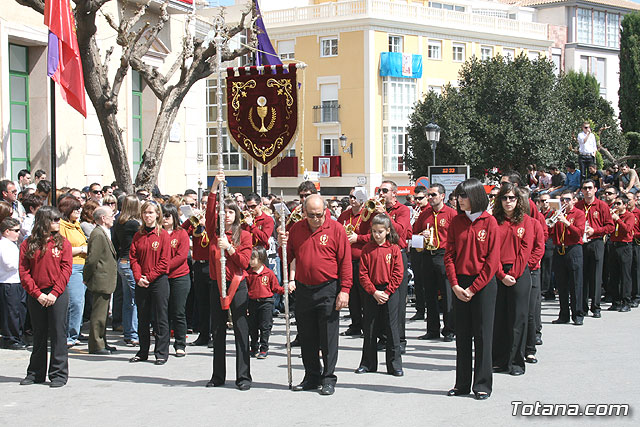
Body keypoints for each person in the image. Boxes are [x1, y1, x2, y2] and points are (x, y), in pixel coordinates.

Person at [280, 193, 351, 396]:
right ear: (304, 213)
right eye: (311, 215)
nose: (316, 219)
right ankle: (312, 376)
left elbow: (345, 262)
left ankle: (328, 377)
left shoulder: (336, 229)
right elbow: (288, 257)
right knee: (307, 336)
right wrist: (281, 244)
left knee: (328, 336)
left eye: (320, 214)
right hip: (304, 289)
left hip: (328, 288)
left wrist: (345, 290)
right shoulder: (295, 229)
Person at [445, 178, 500, 400]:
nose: (459, 200)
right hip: (460, 283)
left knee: (483, 336)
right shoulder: (457, 222)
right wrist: (456, 285)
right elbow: (449, 255)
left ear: (475, 197)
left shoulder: (490, 222)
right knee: (463, 336)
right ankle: (462, 384)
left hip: (483, 285)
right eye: (458, 196)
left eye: (463, 196)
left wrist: (474, 288)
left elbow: (492, 261)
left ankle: (482, 384)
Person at [206, 171, 252, 390]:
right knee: (218, 331)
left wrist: (230, 248)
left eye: (231, 212)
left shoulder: (244, 235)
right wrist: (214, 185)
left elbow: (244, 262)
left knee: (242, 331)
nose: (227, 215)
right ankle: (218, 376)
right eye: (223, 212)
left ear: (237, 215)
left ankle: (243, 377)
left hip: (237, 285)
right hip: (217, 286)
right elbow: (209, 212)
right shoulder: (214, 233)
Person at [19, 206, 72, 387]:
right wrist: (37, 294)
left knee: (58, 333)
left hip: (57, 293)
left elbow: (66, 269)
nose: (57, 223)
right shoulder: (28, 244)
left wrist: (55, 293)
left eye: (58, 219)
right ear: (43, 221)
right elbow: (24, 271)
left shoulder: (63, 243)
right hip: (37, 294)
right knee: (39, 334)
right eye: (54, 220)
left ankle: (58, 374)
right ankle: (35, 373)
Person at [491, 183, 533, 376]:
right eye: (505, 198)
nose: (508, 202)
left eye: (512, 198)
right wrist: (501, 274)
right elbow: (491, 251)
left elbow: (525, 251)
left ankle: (516, 362)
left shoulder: (527, 222)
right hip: (497, 273)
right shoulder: (493, 221)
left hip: (519, 274)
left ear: (518, 200)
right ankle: (499, 361)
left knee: (518, 319)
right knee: (498, 318)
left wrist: (513, 275)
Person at [356, 214, 404, 376]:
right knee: (369, 327)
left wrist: (388, 292)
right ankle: (368, 363)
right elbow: (363, 274)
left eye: (380, 232)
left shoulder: (394, 249)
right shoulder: (367, 249)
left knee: (392, 328)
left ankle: (394, 364)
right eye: (374, 231)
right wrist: (374, 291)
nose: (377, 235)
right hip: (372, 292)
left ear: (388, 231)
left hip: (389, 291)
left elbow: (398, 273)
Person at [129, 201, 171, 365]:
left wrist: (150, 277)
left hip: (158, 281)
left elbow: (164, 261)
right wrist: (139, 277)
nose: (148, 216)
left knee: (160, 317)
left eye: (151, 213)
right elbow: (133, 258)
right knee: (142, 317)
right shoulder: (138, 235)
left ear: (157, 215)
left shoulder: (163, 235)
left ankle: (161, 352)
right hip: (141, 281)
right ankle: (143, 351)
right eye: (145, 213)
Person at [415, 184, 457, 341]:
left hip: (444, 255)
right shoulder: (424, 214)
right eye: (429, 195)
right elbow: (414, 234)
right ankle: (432, 330)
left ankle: (449, 329)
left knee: (447, 294)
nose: (430, 198)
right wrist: (421, 235)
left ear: (442, 196)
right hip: (427, 255)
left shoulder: (451, 214)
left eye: (433, 195)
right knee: (430, 294)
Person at [374, 180, 411, 353]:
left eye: (384, 191)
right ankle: (383, 337)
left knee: (398, 300)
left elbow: (400, 232)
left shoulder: (403, 210)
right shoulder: (376, 209)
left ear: (394, 193)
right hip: (379, 255)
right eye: (380, 190)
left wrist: (385, 216)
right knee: (380, 299)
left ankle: (400, 340)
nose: (381, 194)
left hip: (397, 255)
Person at [575, 179, 614, 318]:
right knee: (582, 276)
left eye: (590, 188)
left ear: (595, 189)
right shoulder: (578, 206)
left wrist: (595, 231)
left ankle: (596, 307)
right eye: (584, 188)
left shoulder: (602, 206)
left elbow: (610, 226)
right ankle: (583, 307)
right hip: (581, 244)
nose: (587, 190)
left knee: (596, 275)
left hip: (596, 242)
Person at [337, 187, 372, 336]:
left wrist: (358, 238)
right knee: (352, 297)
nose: (352, 199)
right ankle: (356, 324)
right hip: (347, 261)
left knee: (365, 296)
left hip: (363, 260)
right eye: (350, 196)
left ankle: (368, 326)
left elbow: (375, 235)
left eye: (355, 197)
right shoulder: (345, 215)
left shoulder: (368, 214)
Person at [83, 207, 117, 355]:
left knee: (103, 313)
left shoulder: (103, 232)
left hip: (105, 279)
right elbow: (92, 259)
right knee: (98, 313)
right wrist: (87, 277)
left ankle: (102, 341)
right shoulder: (97, 234)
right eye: (111, 216)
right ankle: (96, 344)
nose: (113, 218)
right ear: (103, 218)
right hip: (100, 279)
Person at [549, 190, 586, 325]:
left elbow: (579, 233)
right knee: (561, 284)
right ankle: (563, 315)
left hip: (574, 249)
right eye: (563, 199)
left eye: (568, 199)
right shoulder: (558, 214)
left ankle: (578, 314)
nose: (565, 202)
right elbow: (551, 232)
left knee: (575, 283)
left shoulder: (579, 214)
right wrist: (552, 224)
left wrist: (566, 223)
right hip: (559, 250)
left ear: (574, 200)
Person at [57, 196, 88, 348]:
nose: (78, 212)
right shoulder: (61, 226)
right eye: (76, 209)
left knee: (80, 301)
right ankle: (70, 335)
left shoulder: (76, 225)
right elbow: (64, 248)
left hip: (83, 266)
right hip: (73, 266)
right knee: (75, 302)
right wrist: (82, 249)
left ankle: (75, 331)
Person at [161, 203, 191, 357]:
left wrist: (163, 268)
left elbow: (181, 256)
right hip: (161, 278)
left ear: (174, 217)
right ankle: (163, 344)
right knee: (163, 313)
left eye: (167, 216)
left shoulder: (181, 233)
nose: (164, 219)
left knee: (178, 312)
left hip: (179, 276)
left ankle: (180, 344)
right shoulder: (157, 233)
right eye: (162, 216)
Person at [112, 195, 141, 346]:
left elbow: (115, 243)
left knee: (127, 299)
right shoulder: (133, 224)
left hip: (122, 261)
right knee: (134, 300)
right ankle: (133, 333)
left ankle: (129, 332)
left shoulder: (118, 222)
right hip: (130, 262)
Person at [182, 206, 213, 347]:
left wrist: (207, 223)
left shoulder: (213, 225)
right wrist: (191, 217)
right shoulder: (196, 224)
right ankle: (204, 334)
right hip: (198, 266)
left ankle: (214, 334)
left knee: (213, 302)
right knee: (202, 302)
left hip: (211, 265)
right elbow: (182, 230)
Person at [246, 246, 284, 359]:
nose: (250, 261)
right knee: (252, 326)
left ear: (261, 259)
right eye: (250, 258)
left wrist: (285, 290)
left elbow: (276, 288)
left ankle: (264, 348)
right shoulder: (248, 274)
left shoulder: (268, 273)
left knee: (265, 326)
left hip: (266, 302)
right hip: (252, 302)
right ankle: (253, 346)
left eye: (253, 259)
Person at [0, 218, 28, 349]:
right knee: (11, 312)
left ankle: (18, 335)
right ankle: (10, 338)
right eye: (16, 231)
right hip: (8, 282)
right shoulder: (3, 245)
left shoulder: (12, 245)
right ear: (6, 231)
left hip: (17, 281)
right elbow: (9, 264)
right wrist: (22, 261)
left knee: (19, 310)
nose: (18, 233)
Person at [608, 194, 635, 312]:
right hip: (614, 245)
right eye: (615, 204)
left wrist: (617, 219)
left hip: (625, 246)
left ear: (625, 205)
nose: (616, 206)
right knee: (614, 275)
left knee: (625, 275)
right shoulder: (613, 215)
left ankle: (626, 301)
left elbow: (627, 229)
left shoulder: (630, 216)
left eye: (619, 204)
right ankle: (616, 301)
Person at [408, 186, 429, 322]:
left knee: (428, 282)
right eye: (416, 198)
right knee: (418, 281)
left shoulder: (428, 212)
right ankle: (420, 309)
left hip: (427, 249)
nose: (417, 201)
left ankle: (430, 309)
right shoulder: (414, 211)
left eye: (420, 198)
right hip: (416, 247)